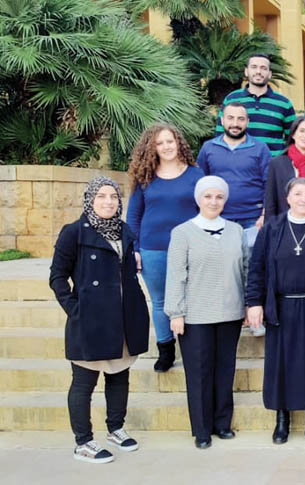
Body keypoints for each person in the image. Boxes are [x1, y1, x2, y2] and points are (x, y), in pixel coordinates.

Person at [50, 176, 149, 464]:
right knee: (84, 382)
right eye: (101, 196)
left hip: (124, 318)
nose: (108, 202)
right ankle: (83, 442)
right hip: (90, 321)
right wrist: (75, 309)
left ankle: (116, 428)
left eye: (113, 197)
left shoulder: (124, 230)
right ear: (90, 200)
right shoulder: (74, 233)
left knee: (119, 377)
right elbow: (57, 277)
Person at [246, 178, 305, 445]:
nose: (303, 198)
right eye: (297, 193)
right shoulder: (272, 228)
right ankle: (282, 418)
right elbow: (257, 268)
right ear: (287, 198)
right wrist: (254, 302)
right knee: (281, 363)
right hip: (281, 305)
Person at [164, 176, 248, 449]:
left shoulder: (236, 231)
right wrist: (175, 312)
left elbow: (245, 270)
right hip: (195, 315)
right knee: (199, 373)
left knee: (225, 370)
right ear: (198, 199)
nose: (214, 201)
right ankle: (201, 429)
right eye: (208, 196)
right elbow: (176, 275)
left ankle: (222, 423)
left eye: (219, 197)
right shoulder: (183, 232)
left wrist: (248, 303)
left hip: (230, 313)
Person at [126, 123, 204, 372]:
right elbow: (134, 216)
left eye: (170, 141)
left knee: (190, 300)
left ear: (178, 143)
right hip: (153, 249)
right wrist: (135, 248)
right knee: (160, 302)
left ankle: (192, 350)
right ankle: (166, 350)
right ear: (152, 148)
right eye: (160, 143)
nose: (166, 147)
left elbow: (205, 212)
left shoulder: (195, 175)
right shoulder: (144, 178)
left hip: (190, 249)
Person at [198, 102, 271, 229]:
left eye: (240, 119)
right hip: (217, 217)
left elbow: (269, 184)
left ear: (247, 122)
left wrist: (265, 214)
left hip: (253, 219)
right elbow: (199, 184)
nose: (235, 124)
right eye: (230, 118)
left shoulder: (260, 148)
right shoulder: (208, 148)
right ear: (222, 120)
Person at [217, 53, 297, 157]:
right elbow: (220, 135)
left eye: (263, 68)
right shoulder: (231, 99)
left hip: (272, 167)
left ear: (270, 74)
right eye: (254, 67)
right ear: (246, 71)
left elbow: (293, 139)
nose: (258, 72)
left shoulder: (284, 103)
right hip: (239, 165)